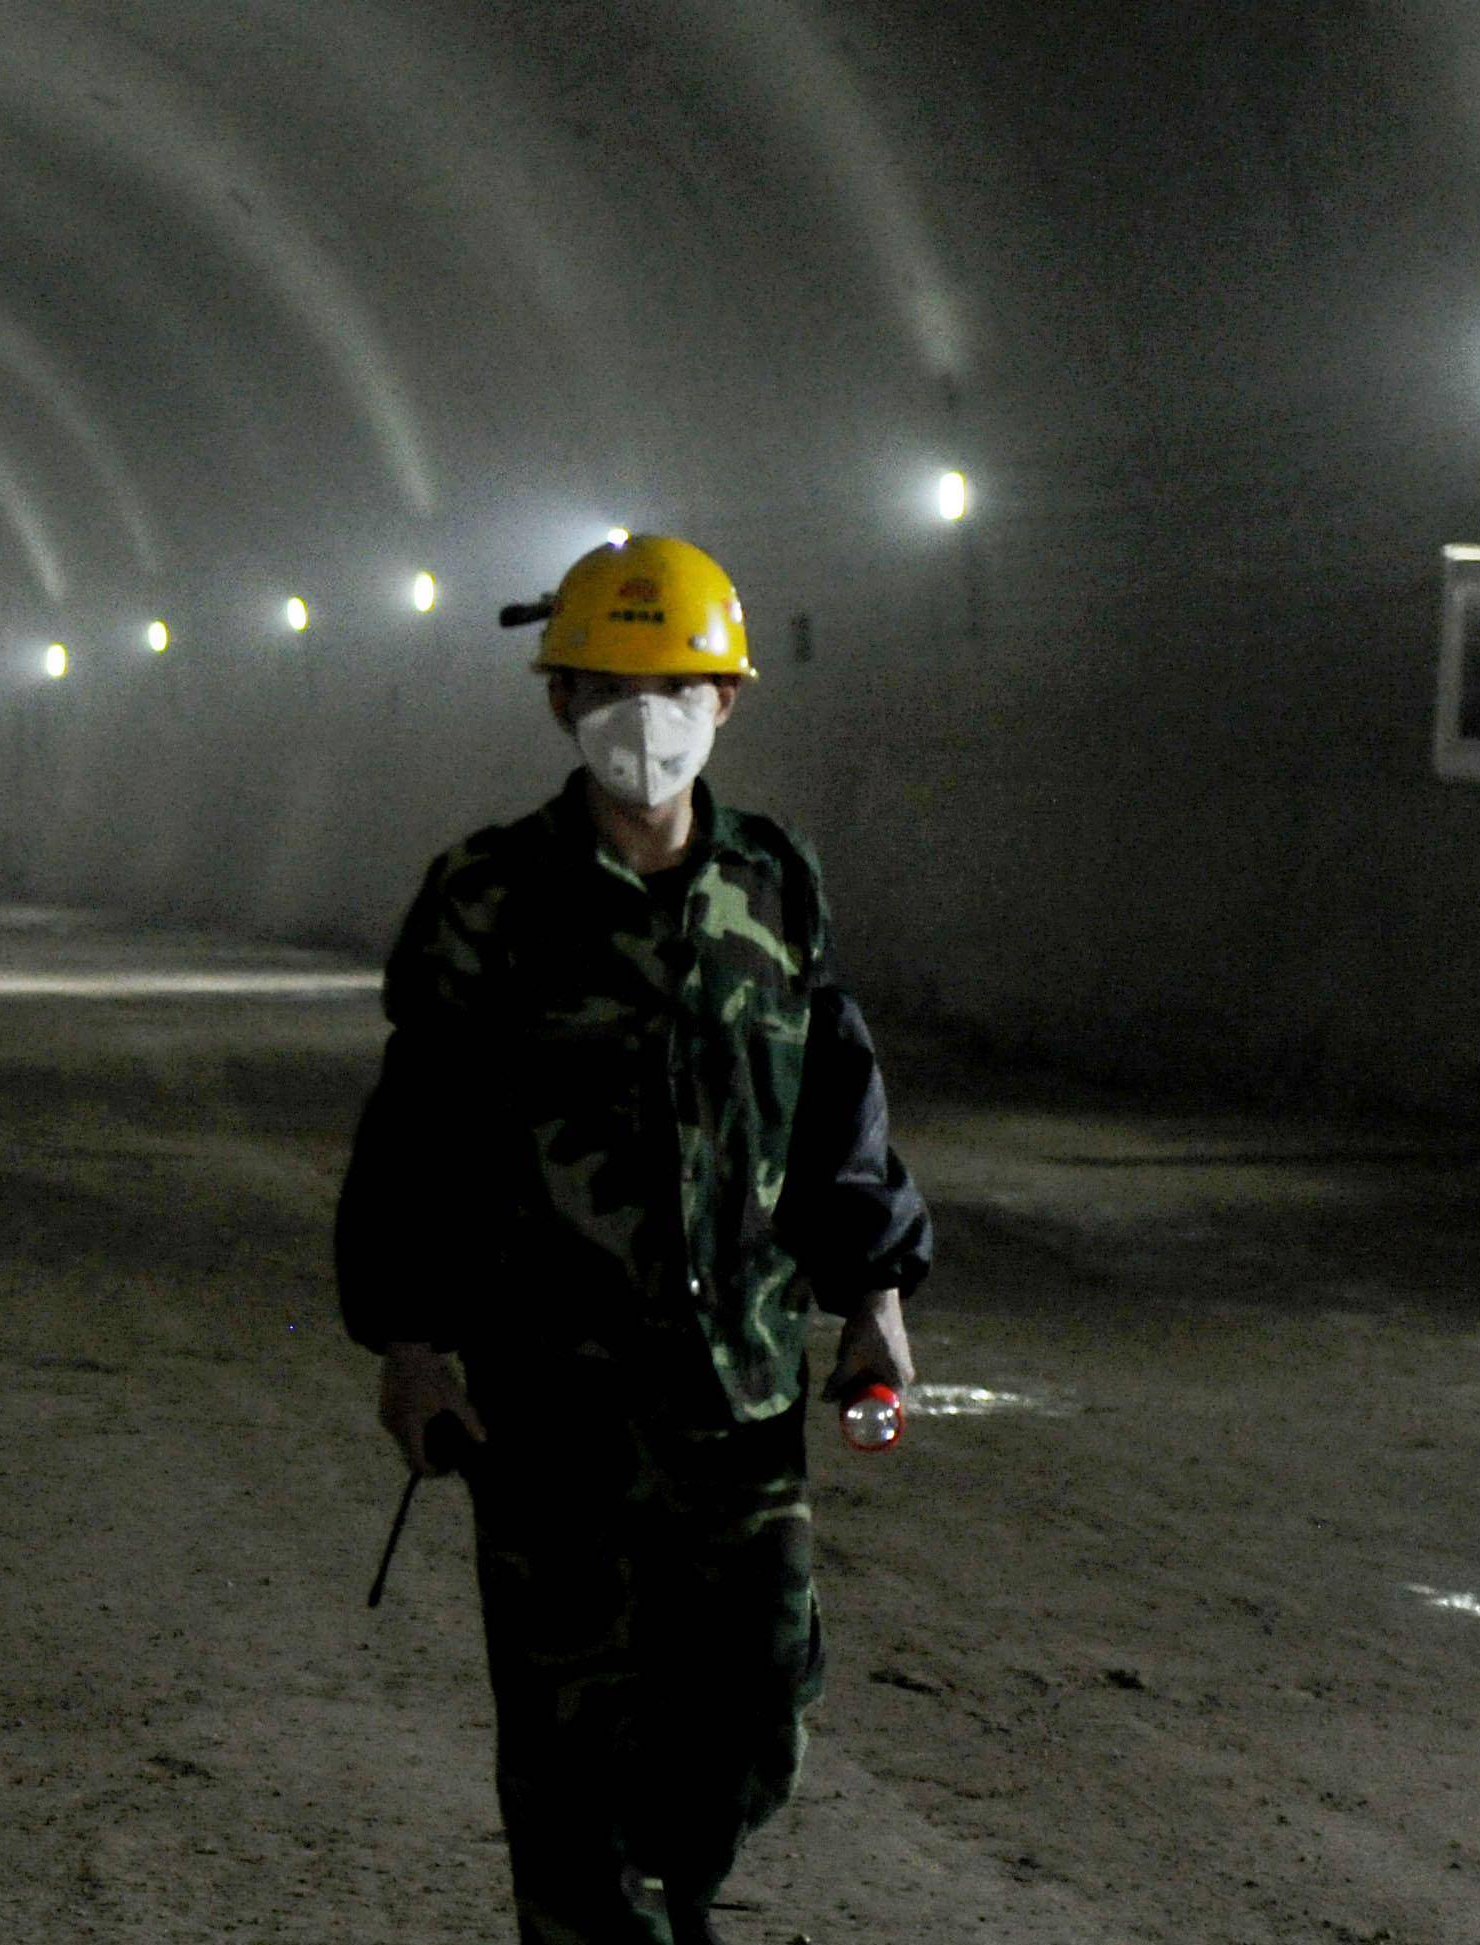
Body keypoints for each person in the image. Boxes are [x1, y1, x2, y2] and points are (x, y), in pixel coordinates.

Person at [335, 533, 935, 1945]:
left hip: (739, 1401)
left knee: (754, 1716)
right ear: (560, 700)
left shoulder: (774, 886)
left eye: (675, 686)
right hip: (551, 1412)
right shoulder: (488, 903)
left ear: (727, 699)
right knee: (569, 1761)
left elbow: (833, 1106)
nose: (643, 718)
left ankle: (683, 1880)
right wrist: (410, 1343)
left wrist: (877, 1295)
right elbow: (415, 1132)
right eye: (610, 684)